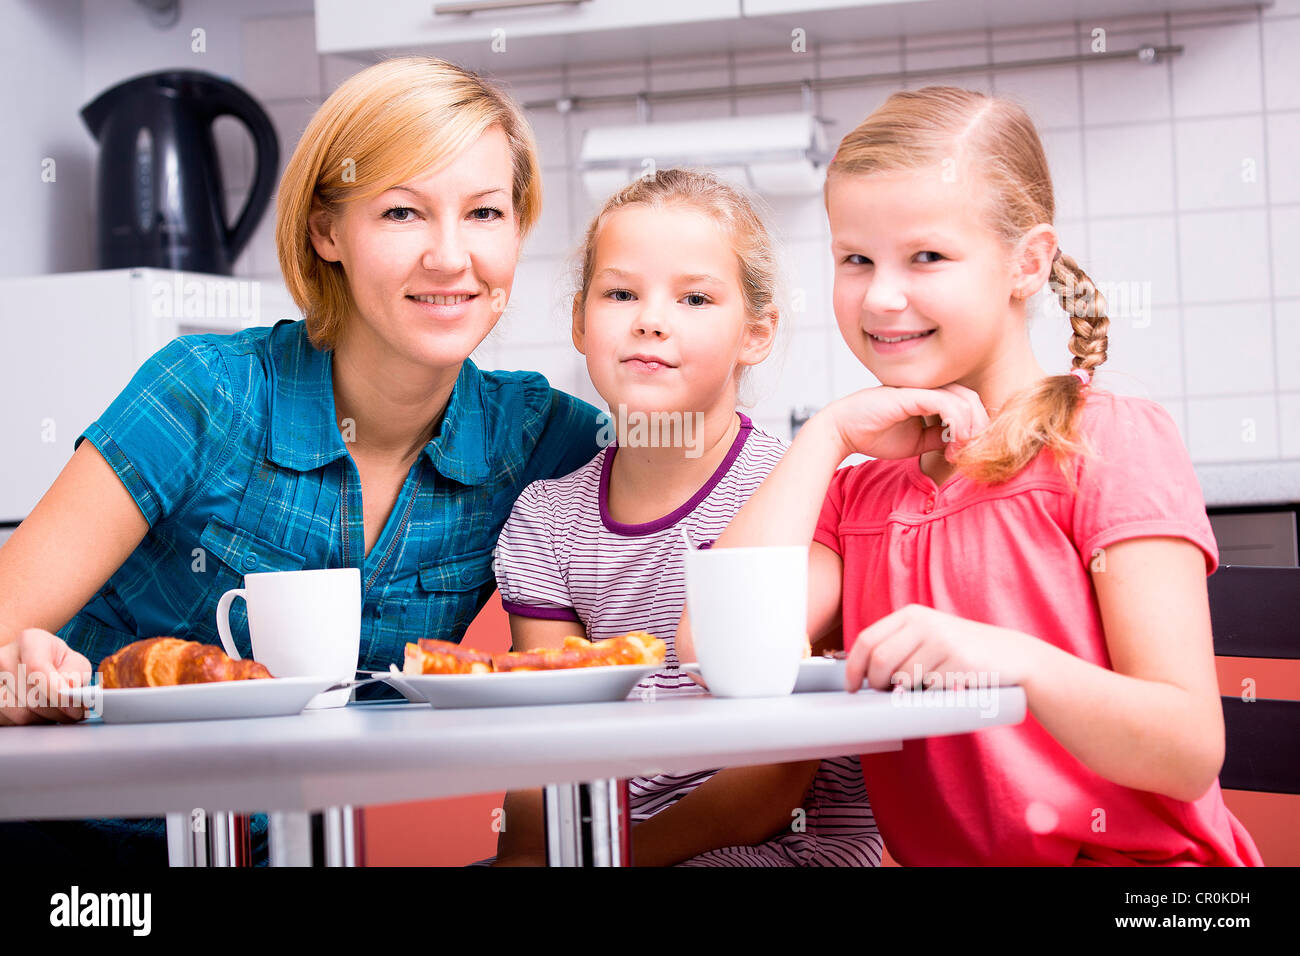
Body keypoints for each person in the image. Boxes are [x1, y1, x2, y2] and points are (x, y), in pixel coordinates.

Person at [0, 57, 603, 863]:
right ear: (326, 231)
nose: (451, 257)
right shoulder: (207, 395)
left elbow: (695, 483)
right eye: (402, 213)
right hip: (58, 846)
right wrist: (22, 679)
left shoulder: (535, 439)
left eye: (486, 212)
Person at [687, 86, 1263, 866]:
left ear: (1027, 262)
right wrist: (823, 438)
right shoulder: (859, 494)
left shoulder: (1106, 440)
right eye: (855, 259)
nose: (883, 296)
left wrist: (1012, 659)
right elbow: (710, 650)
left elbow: (1187, 748)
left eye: (926, 256)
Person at [489, 168, 882, 866]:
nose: (650, 318)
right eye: (619, 294)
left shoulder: (801, 497)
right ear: (581, 321)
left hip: (779, 847)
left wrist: (618, 862)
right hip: (606, 847)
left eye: (694, 297)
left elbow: (776, 778)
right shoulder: (546, 522)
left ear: (756, 333)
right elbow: (547, 748)